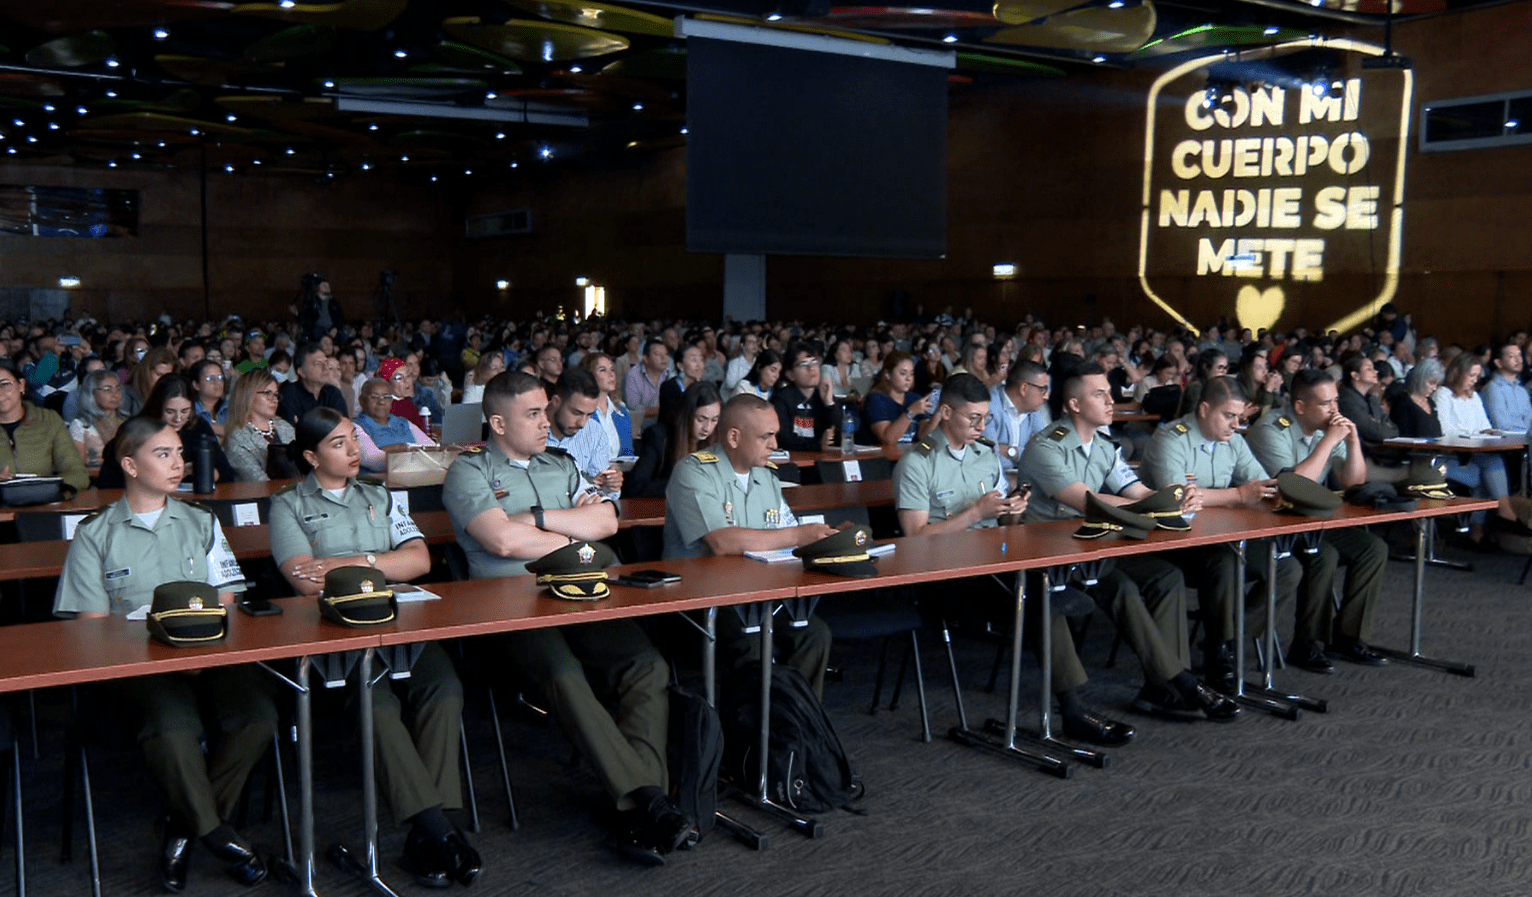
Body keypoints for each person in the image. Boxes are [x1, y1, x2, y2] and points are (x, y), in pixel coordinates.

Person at [441, 371, 689, 862]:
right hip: (510, 608)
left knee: (647, 664)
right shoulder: (468, 473)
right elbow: (501, 542)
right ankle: (649, 802)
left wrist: (536, 519)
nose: (544, 422)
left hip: (582, 593)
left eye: (543, 410)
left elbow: (606, 522)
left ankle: (642, 805)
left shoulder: (561, 463)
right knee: (564, 673)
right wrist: (576, 539)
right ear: (497, 422)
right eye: (532, 414)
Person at [52, 416, 276, 892]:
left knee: (257, 713)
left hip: (208, 653)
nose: (179, 464)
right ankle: (216, 834)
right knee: (175, 726)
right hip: (138, 664)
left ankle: (181, 829)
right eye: (164, 454)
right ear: (130, 465)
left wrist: (201, 652)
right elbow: (93, 629)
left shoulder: (201, 521)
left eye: (179, 453)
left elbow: (228, 599)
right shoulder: (95, 534)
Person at [270, 408, 479, 887]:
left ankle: (427, 837)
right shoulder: (288, 506)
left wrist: (350, 562)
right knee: (377, 705)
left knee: (445, 688)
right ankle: (439, 831)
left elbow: (420, 559)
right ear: (310, 456)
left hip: (399, 621)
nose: (354, 452)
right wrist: (385, 564)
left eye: (353, 441)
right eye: (339, 444)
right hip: (337, 632)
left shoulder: (381, 495)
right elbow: (305, 582)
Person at [1015, 366, 1236, 730]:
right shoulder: (1046, 446)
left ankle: (1161, 688)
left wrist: (1178, 499)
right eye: (1099, 394)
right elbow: (1086, 501)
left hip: (1091, 550)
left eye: (1109, 392)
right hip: (1048, 554)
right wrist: (1155, 506)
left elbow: (1137, 492)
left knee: (1164, 576)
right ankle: (1180, 680)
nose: (1110, 400)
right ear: (1073, 404)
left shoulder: (1104, 447)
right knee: (1125, 589)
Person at [662, 393, 835, 695]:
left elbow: (787, 531)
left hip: (758, 596)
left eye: (775, 436)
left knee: (813, 633)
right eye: (766, 437)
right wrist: (797, 536)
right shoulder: (693, 471)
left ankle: (797, 729)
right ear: (733, 436)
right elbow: (720, 541)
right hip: (704, 601)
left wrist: (828, 537)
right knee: (751, 641)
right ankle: (751, 735)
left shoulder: (766, 476)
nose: (774, 445)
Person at [1141, 376, 1302, 686]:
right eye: (1228, 416)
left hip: (1222, 536)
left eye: (1239, 418)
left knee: (1286, 566)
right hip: (1171, 542)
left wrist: (1272, 492)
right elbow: (1179, 500)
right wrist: (1239, 496)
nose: (1235, 425)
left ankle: (1227, 639)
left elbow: (1262, 486)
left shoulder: (1235, 442)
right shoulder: (1171, 439)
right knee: (1226, 563)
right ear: (1204, 409)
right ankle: (1218, 649)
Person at [1246, 369, 1390, 666]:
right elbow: (1293, 488)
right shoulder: (1271, 428)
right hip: (1275, 520)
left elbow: (1353, 482)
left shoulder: (1330, 428)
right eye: (1326, 404)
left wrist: (1352, 443)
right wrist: (1330, 440)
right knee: (1323, 555)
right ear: (1300, 406)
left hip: (1313, 517)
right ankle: (1306, 643)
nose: (1334, 410)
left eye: (1336, 401)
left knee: (1373, 549)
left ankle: (1349, 637)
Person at [1392, 358, 1526, 541]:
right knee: (1486, 475)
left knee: (1491, 464)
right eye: (1471, 375)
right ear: (1457, 373)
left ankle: (1488, 523)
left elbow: (1484, 425)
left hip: (1461, 455)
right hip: (1437, 458)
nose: (1474, 380)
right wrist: (1473, 433)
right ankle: (1492, 520)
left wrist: (1483, 432)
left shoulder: (1472, 397)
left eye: (1477, 376)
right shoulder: (1441, 395)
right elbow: (1444, 431)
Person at [98, 374, 236, 488]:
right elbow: (110, 480)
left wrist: (204, 471)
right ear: (157, 407)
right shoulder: (135, 429)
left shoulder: (197, 427)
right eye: (170, 411)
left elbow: (227, 474)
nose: (178, 419)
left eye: (185, 411)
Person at [0, 358, 90, 490]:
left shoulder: (48, 420)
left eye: (4, 384)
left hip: (43, 504)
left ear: (21, 385)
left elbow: (78, 474)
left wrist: (39, 487)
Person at [627, 382, 721, 498]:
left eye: (714, 420)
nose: (707, 428)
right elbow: (635, 487)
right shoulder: (659, 437)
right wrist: (682, 483)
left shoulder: (718, 441)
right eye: (701, 419)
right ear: (687, 414)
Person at [546, 368, 623, 494]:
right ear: (556, 402)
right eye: (576, 413)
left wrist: (610, 484)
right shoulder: (529, 428)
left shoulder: (594, 432)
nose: (582, 423)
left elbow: (600, 487)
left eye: (589, 415)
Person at [223, 369, 294, 482]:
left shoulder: (285, 427)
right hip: (259, 496)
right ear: (248, 395)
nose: (275, 400)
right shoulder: (237, 437)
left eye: (276, 395)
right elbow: (257, 479)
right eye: (268, 394)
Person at [983, 359, 1052, 473]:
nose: (1046, 396)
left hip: (1023, 482)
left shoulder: (1033, 409)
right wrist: (1027, 455)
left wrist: (1012, 452)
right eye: (1042, 389)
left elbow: (1048, 453)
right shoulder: (989, 407)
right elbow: (991, 459)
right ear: (1024, 388)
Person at [354, 377, 434, 473]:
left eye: (386, 397)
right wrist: (412, 449)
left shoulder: (403, 422)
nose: (381, 402)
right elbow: (375, 459)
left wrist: (391, 449)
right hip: (380, 485)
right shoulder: (355, 427)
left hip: (417, 478)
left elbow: (432, 450)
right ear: (361, 401)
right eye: (374, 397)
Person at [771, 340, 838, 452]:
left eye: (814, 362)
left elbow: (842, 435)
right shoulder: (781, 399)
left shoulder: (824, 396)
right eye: (804, 364)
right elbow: (784, 439)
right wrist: (817, 444)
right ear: (790, 374)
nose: (811, 368)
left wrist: (829, 403)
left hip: (823, 462)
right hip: (792, 463)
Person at [861, 351, 935, 448]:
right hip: (883, 460)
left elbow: (925, 438)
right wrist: (911, 412)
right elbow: (888, 439)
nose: (908, 378)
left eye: (912, 374)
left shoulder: (915, 398)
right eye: (903, 373)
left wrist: (938, 414)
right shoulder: (876, 399)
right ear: (888, 374)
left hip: (910, 458)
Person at [276, 342, 348, 427]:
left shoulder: (333, 392)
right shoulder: (289, 395)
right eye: (318, 364)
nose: (325, 368)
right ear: (302, 372)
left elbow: (344, 426)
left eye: (326, 363)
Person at [580, 352, 634, 463]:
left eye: (612, 370)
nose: (611, 375)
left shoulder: (622, 411)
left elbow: (628, 454)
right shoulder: (580, 412)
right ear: (589, 375)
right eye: (602, 370)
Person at [69, 368, 127, 468]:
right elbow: (78, 466)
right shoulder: (81, 426)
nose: (115, 394)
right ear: (92, 393)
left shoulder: (127, 422)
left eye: (117, 388)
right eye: (107, 389)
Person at [1481, 342, 1532, 433]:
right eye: (1512, 356)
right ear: (1499, 362)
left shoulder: (1521, 390)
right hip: (1506, 442)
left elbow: (1530, 420)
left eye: (1520, 355)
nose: (1519, 360)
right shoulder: (1493, 388)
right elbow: (1502, 426)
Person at [658, 339, 707, 426]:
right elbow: (674, 418)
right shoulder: (669, 387)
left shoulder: (706, 387)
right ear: (680, 365)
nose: (699, 364)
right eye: (694, 360)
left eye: (701, 360)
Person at [623, 338, 669, 425]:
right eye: (658, 354)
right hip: (640, 426)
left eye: (666, 354)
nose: (664, 358)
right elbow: (634, 409)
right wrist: (663, 410)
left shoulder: (668, 374)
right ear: (646, 358)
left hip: (664, 424)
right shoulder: (633, 375)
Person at [376, 358, 429, 431]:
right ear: (387, 384)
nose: (406, 381)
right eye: (399, 378)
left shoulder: (409, 405)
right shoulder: (385, 408)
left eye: (408, 376)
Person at [124, 346, 176, 418]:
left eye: (167, 376)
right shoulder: (126, 395)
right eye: (159, 374)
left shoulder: (167, 395)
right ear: (146, 372)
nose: (163, 380)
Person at [188, 359, 228, 437]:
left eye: (220, 378)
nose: (217, 382)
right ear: (196, 385)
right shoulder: (190, 411)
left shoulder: (231, 407)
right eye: (210, 379)